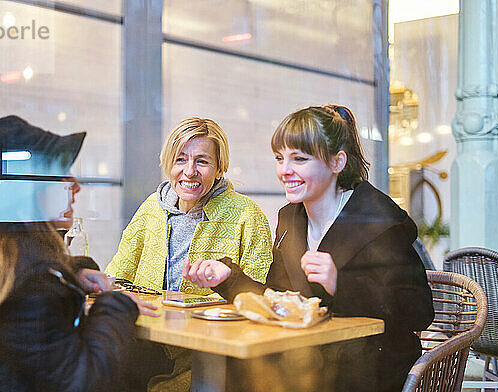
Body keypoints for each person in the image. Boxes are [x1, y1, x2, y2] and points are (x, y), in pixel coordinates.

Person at [183, 105, 434, 392]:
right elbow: (279, 299)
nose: (284, 171)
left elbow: (420, 310)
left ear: (337, 162)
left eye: (299, 159)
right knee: (233, 367)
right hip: (310, 363)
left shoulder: (378, 219)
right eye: (280, 158)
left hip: (369, 370)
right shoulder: (290, 218)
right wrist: (228, 278)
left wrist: (341, 283)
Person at [0, 115, 157, 392]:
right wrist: (115, 305)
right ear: (30, 190)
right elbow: (85, 381)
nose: (75, 186)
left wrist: (73, 272)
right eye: (62, 176)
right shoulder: (34, 282)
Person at [105, 117, 273, 391]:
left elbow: (257, 298)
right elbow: (117, 274)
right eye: (180, 159)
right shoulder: (151, 208)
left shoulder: (247, 215)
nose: (189, 171)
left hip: (207, 350)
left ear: (220, 168)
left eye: (202, 162)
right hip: (147, 339)